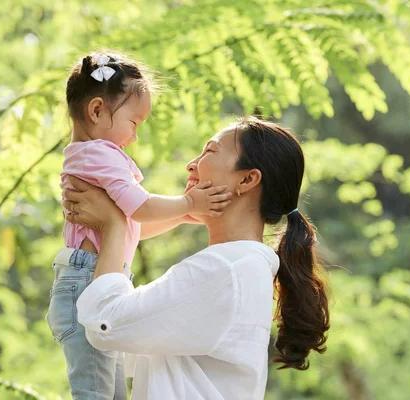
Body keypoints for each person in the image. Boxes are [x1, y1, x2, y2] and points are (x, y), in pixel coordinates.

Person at [62, 117, 330, 400]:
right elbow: (125, 346)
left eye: (210, 151)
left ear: (247, 179)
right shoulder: (238, 267)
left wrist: (114, 226)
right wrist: (177, 213)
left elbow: (105, 326)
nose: (191, 164)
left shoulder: (227, 270)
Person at [46, 51, 231, 400]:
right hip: (86, 281)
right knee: (97, 392)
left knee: (110, 391)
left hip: (94, 278)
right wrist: (189, 203)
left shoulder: (92, 154)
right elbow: (140, 207)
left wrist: (181, 215)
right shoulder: (97, 154)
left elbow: (132, 227)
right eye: (134, 122)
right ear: (97, 110)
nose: (134, 135)